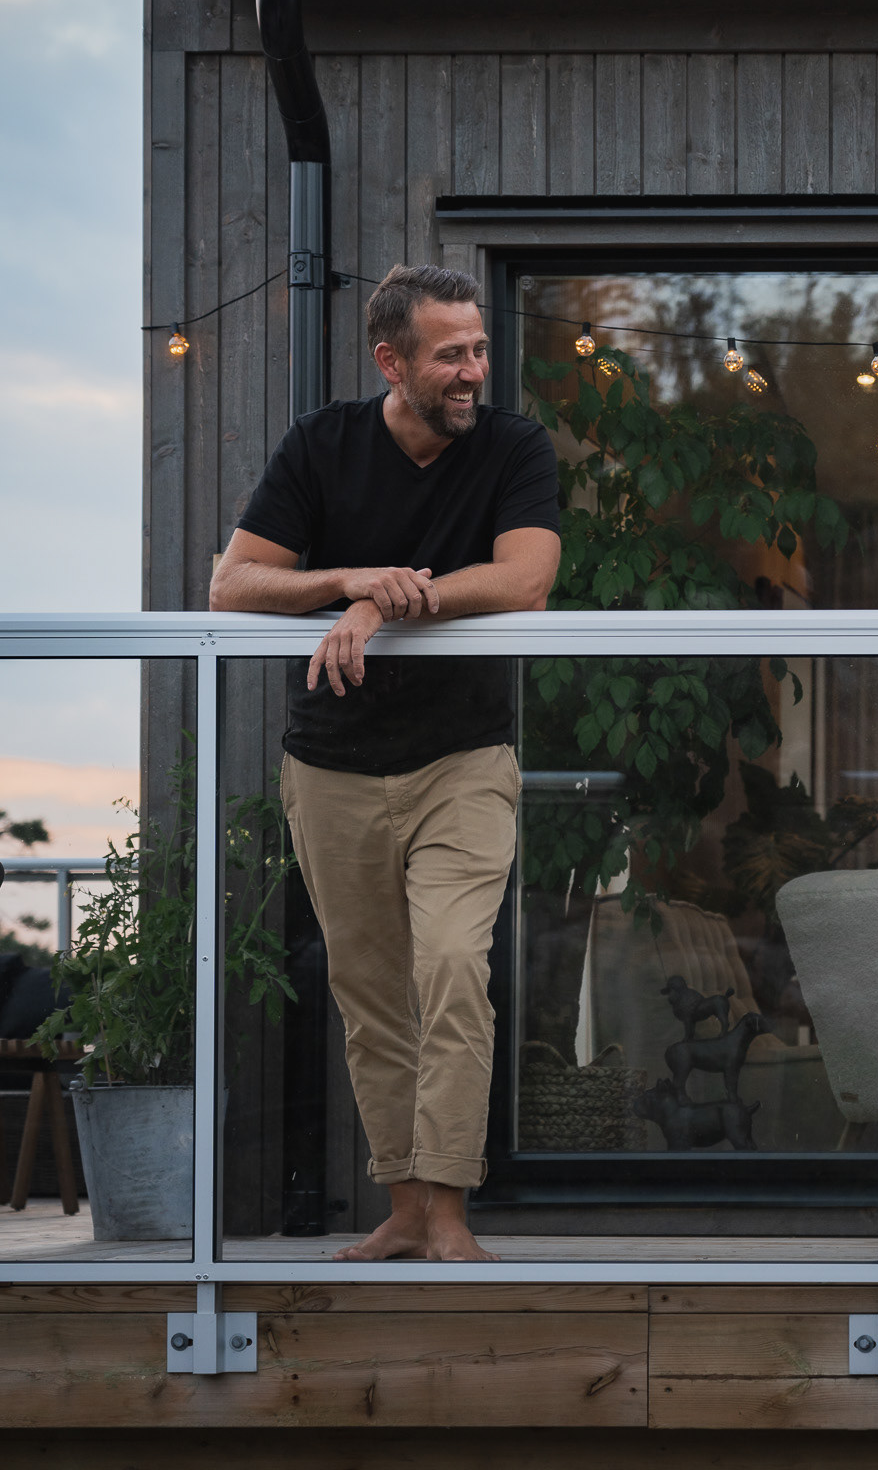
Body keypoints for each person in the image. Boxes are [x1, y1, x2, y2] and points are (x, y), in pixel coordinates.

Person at [211, 264, 561, 1262]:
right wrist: (347, 579)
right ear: (391, 362)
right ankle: (406, 1209)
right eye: (450, 354)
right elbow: (232, 586)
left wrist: (385, 603)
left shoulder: (514, 445)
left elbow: (526, 581)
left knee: (451, 964)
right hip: (331, 766)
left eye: (479, 349)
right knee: (369, 995)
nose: (473, 370)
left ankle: (448, 1208)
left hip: (462, 758)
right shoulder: (321, 444)